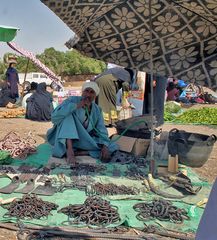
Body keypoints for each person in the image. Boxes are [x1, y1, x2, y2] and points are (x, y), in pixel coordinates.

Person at [47, 81, 118, 166]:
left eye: (92, 92)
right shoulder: (72, 100)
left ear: (95, 96)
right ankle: (70, 151)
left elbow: (101, 129)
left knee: (112, 146)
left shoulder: (96, 109)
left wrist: (105, 146)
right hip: (65, 138)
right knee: (68, 116)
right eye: (86, 91)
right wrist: (76, 106)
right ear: (82, 92)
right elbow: (55, 117)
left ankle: (82, 152)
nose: (88, 95)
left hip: (82, 140)